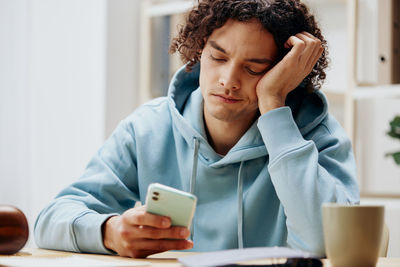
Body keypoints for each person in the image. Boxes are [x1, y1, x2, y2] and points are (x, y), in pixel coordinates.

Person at [34, 0, 360, 258]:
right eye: (218, 57)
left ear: (286, 73)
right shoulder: (149, 127)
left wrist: (273, 105)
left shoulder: (317, 137)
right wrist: (109, 231)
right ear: (199, 50)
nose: (228, 81)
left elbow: (327, 244)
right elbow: (50, 220)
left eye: (253, 68)